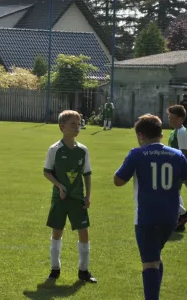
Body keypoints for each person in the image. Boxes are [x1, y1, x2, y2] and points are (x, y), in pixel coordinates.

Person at [114, 114, 187, 300]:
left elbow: (119, 180)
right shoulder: (177, 155)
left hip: (147, 217)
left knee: (149, 262)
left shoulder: (137, 154)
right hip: (171, 217)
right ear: (161, 135)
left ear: (140, 135)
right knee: (155, 255)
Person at [43, 110, 96, 283]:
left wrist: (88, 196)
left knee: (84, 233)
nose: (77, 127)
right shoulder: (54, 150)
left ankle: (83, 270)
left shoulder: (83, 150)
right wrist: (58, 186)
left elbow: (87, 174)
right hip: (60, 198)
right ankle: (55, 269)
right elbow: (47, 171)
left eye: (79, 123)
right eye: (73, 124)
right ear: (62, 127)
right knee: (57, 231)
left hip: (77, 198)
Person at [166, 105, 187, 231]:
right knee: (174, 193)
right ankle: (180, 219)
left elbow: (184, 152)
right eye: (169, 117)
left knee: (170, 193)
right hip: (173, 166)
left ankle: (182, 214)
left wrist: (179, 169)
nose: (169, 119)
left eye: (172, 117)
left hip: (179, 167)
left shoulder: (182, 132)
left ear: (180, 118)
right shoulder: (174, 131)